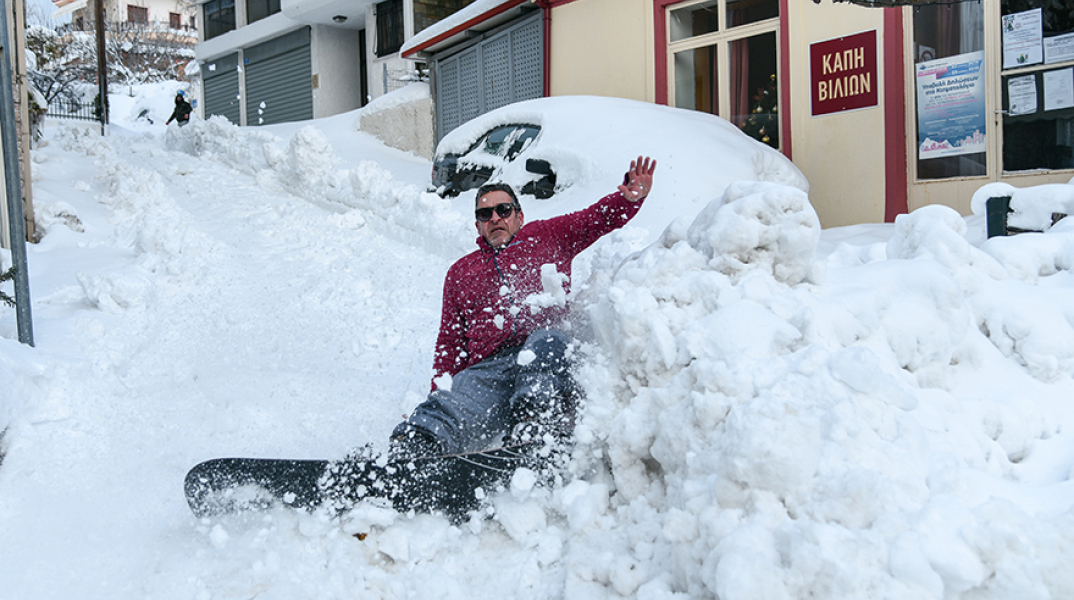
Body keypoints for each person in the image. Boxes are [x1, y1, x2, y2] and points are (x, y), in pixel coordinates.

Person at [390, 156, 657, 459]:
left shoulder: (549, 236)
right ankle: (415, 449)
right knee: (456, 394)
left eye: (503, 210)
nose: (495, 218)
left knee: (547, 340)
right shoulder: (461, 273)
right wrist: (441, 391)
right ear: (478, 225)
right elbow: (450, 343)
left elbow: (595, 219)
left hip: (545, 357)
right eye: (485, 213)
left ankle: (534, 426)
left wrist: (628, 199)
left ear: (519, 215)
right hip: (491, 370)